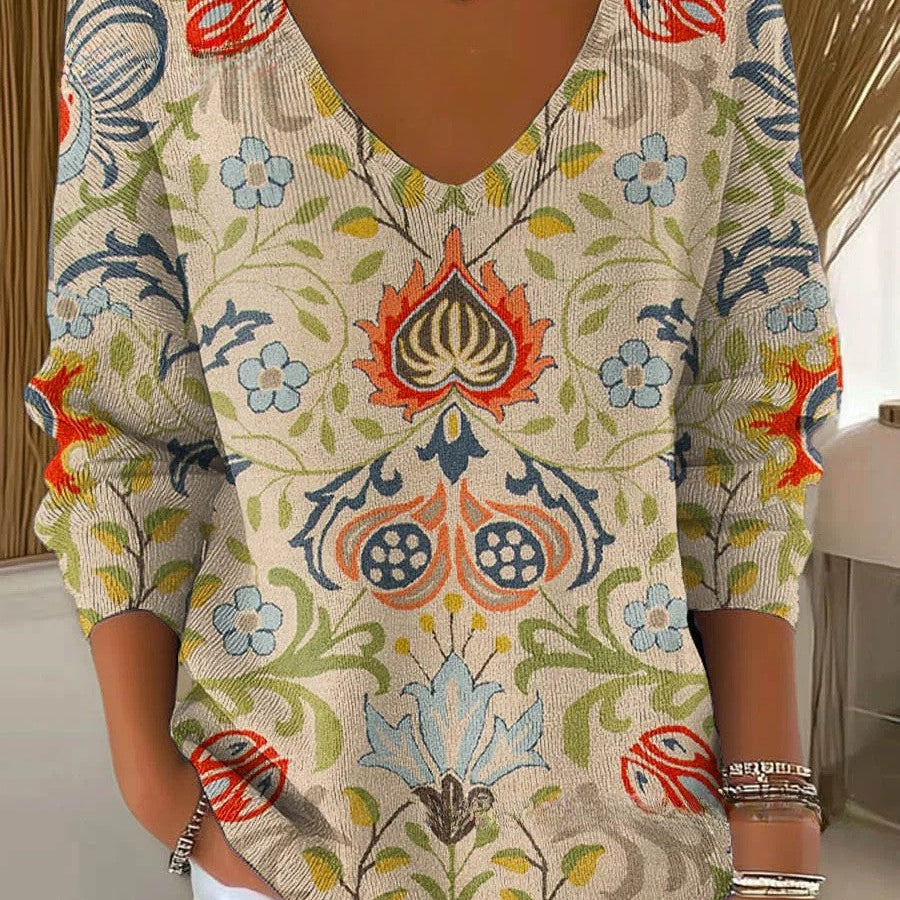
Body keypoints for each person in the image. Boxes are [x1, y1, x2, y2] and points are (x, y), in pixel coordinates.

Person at [24, 1, 843, 898]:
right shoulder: (149, 19)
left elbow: (749, 420)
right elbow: (121, 428)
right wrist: (158, 790)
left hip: (644, 834)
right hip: (279, 833)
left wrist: (772, 802)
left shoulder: (716, 18)